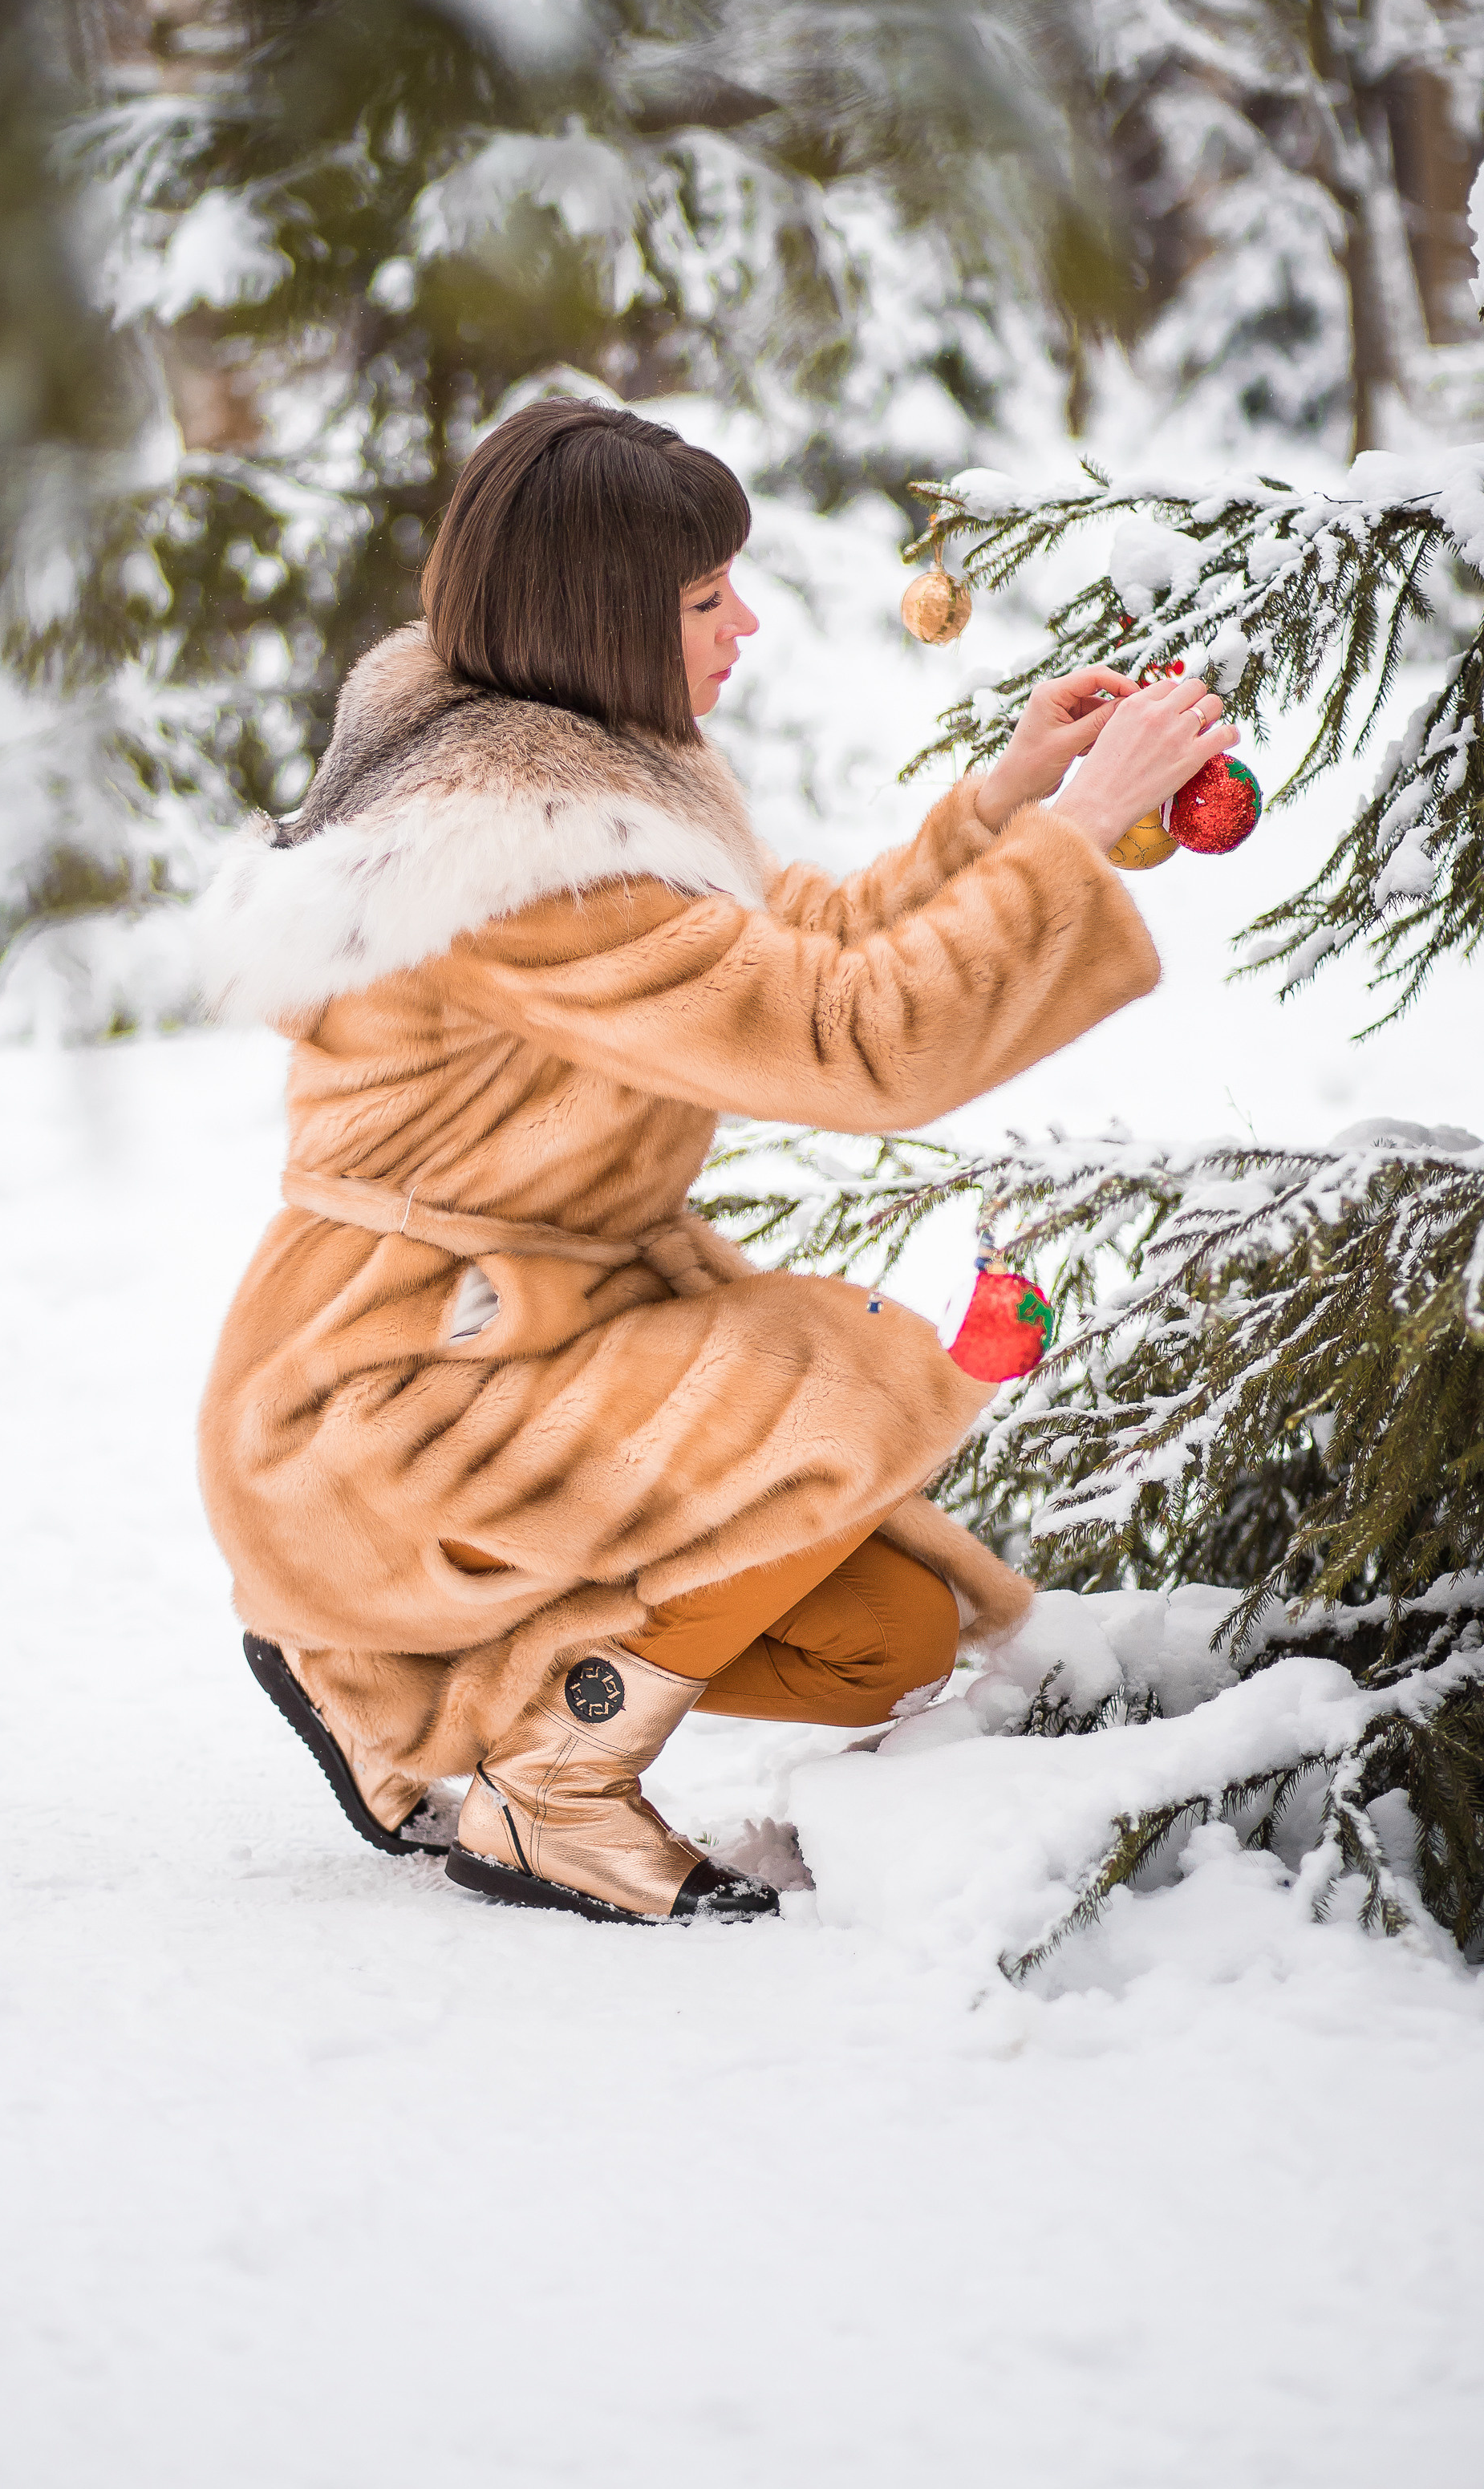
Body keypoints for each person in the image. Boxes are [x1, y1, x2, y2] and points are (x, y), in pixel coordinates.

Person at [197, 398, 1238, 1927]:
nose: (743, 624)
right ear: (602, 616)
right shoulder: (508, 858)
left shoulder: (572, 765)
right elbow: (854, 1039)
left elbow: (781, 945)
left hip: (541, 1343)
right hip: (397, 1386)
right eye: (703, 599)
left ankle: (397, 1673)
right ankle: (550, 1786)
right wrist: (1076, 837)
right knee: (835, 1381)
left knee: (885, 1634)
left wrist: (1007, 806)